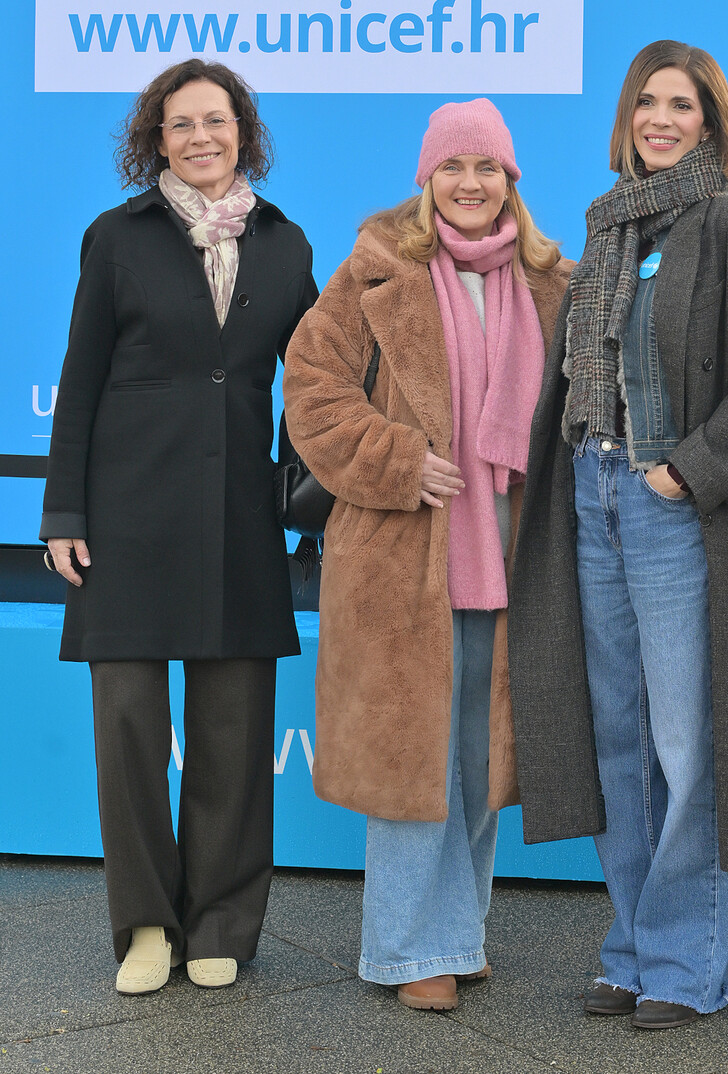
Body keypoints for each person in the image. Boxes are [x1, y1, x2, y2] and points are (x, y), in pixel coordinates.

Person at [508, 40, 728, 1030]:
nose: (660, 119)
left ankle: (682, 966)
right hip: (590, 493)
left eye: (681, 105)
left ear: (710, 122)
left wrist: (686, 470)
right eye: (645, 103)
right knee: (616, 737)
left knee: (683, 739)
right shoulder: (605, 229)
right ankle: (629, 948)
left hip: (673, 506)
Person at [282, 99, 572, 1013]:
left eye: (489, 168)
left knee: (481, 765)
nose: (472, 184)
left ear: (511, 180)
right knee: (417, 764)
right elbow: (313, 390)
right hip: (402, 558)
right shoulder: (375, 272)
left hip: (512, 558)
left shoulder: (553, 283)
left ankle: (459, 935)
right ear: (427, 179)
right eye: (455, 168)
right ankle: (408, 952)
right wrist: (400, 461)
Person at [41, 59, 316, 994]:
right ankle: (148, 925)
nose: (201, 137)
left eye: (217, 120)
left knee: (236, 734)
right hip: (124, 514)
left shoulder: (285, 243)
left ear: (245, 129)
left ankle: (221, 925)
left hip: (239, 513)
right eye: (180, 124)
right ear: (155, 139)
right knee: (128, 730)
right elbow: (78, 382)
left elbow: (315, 383)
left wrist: (309, 488)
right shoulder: (114, 239)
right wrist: (64, 511)